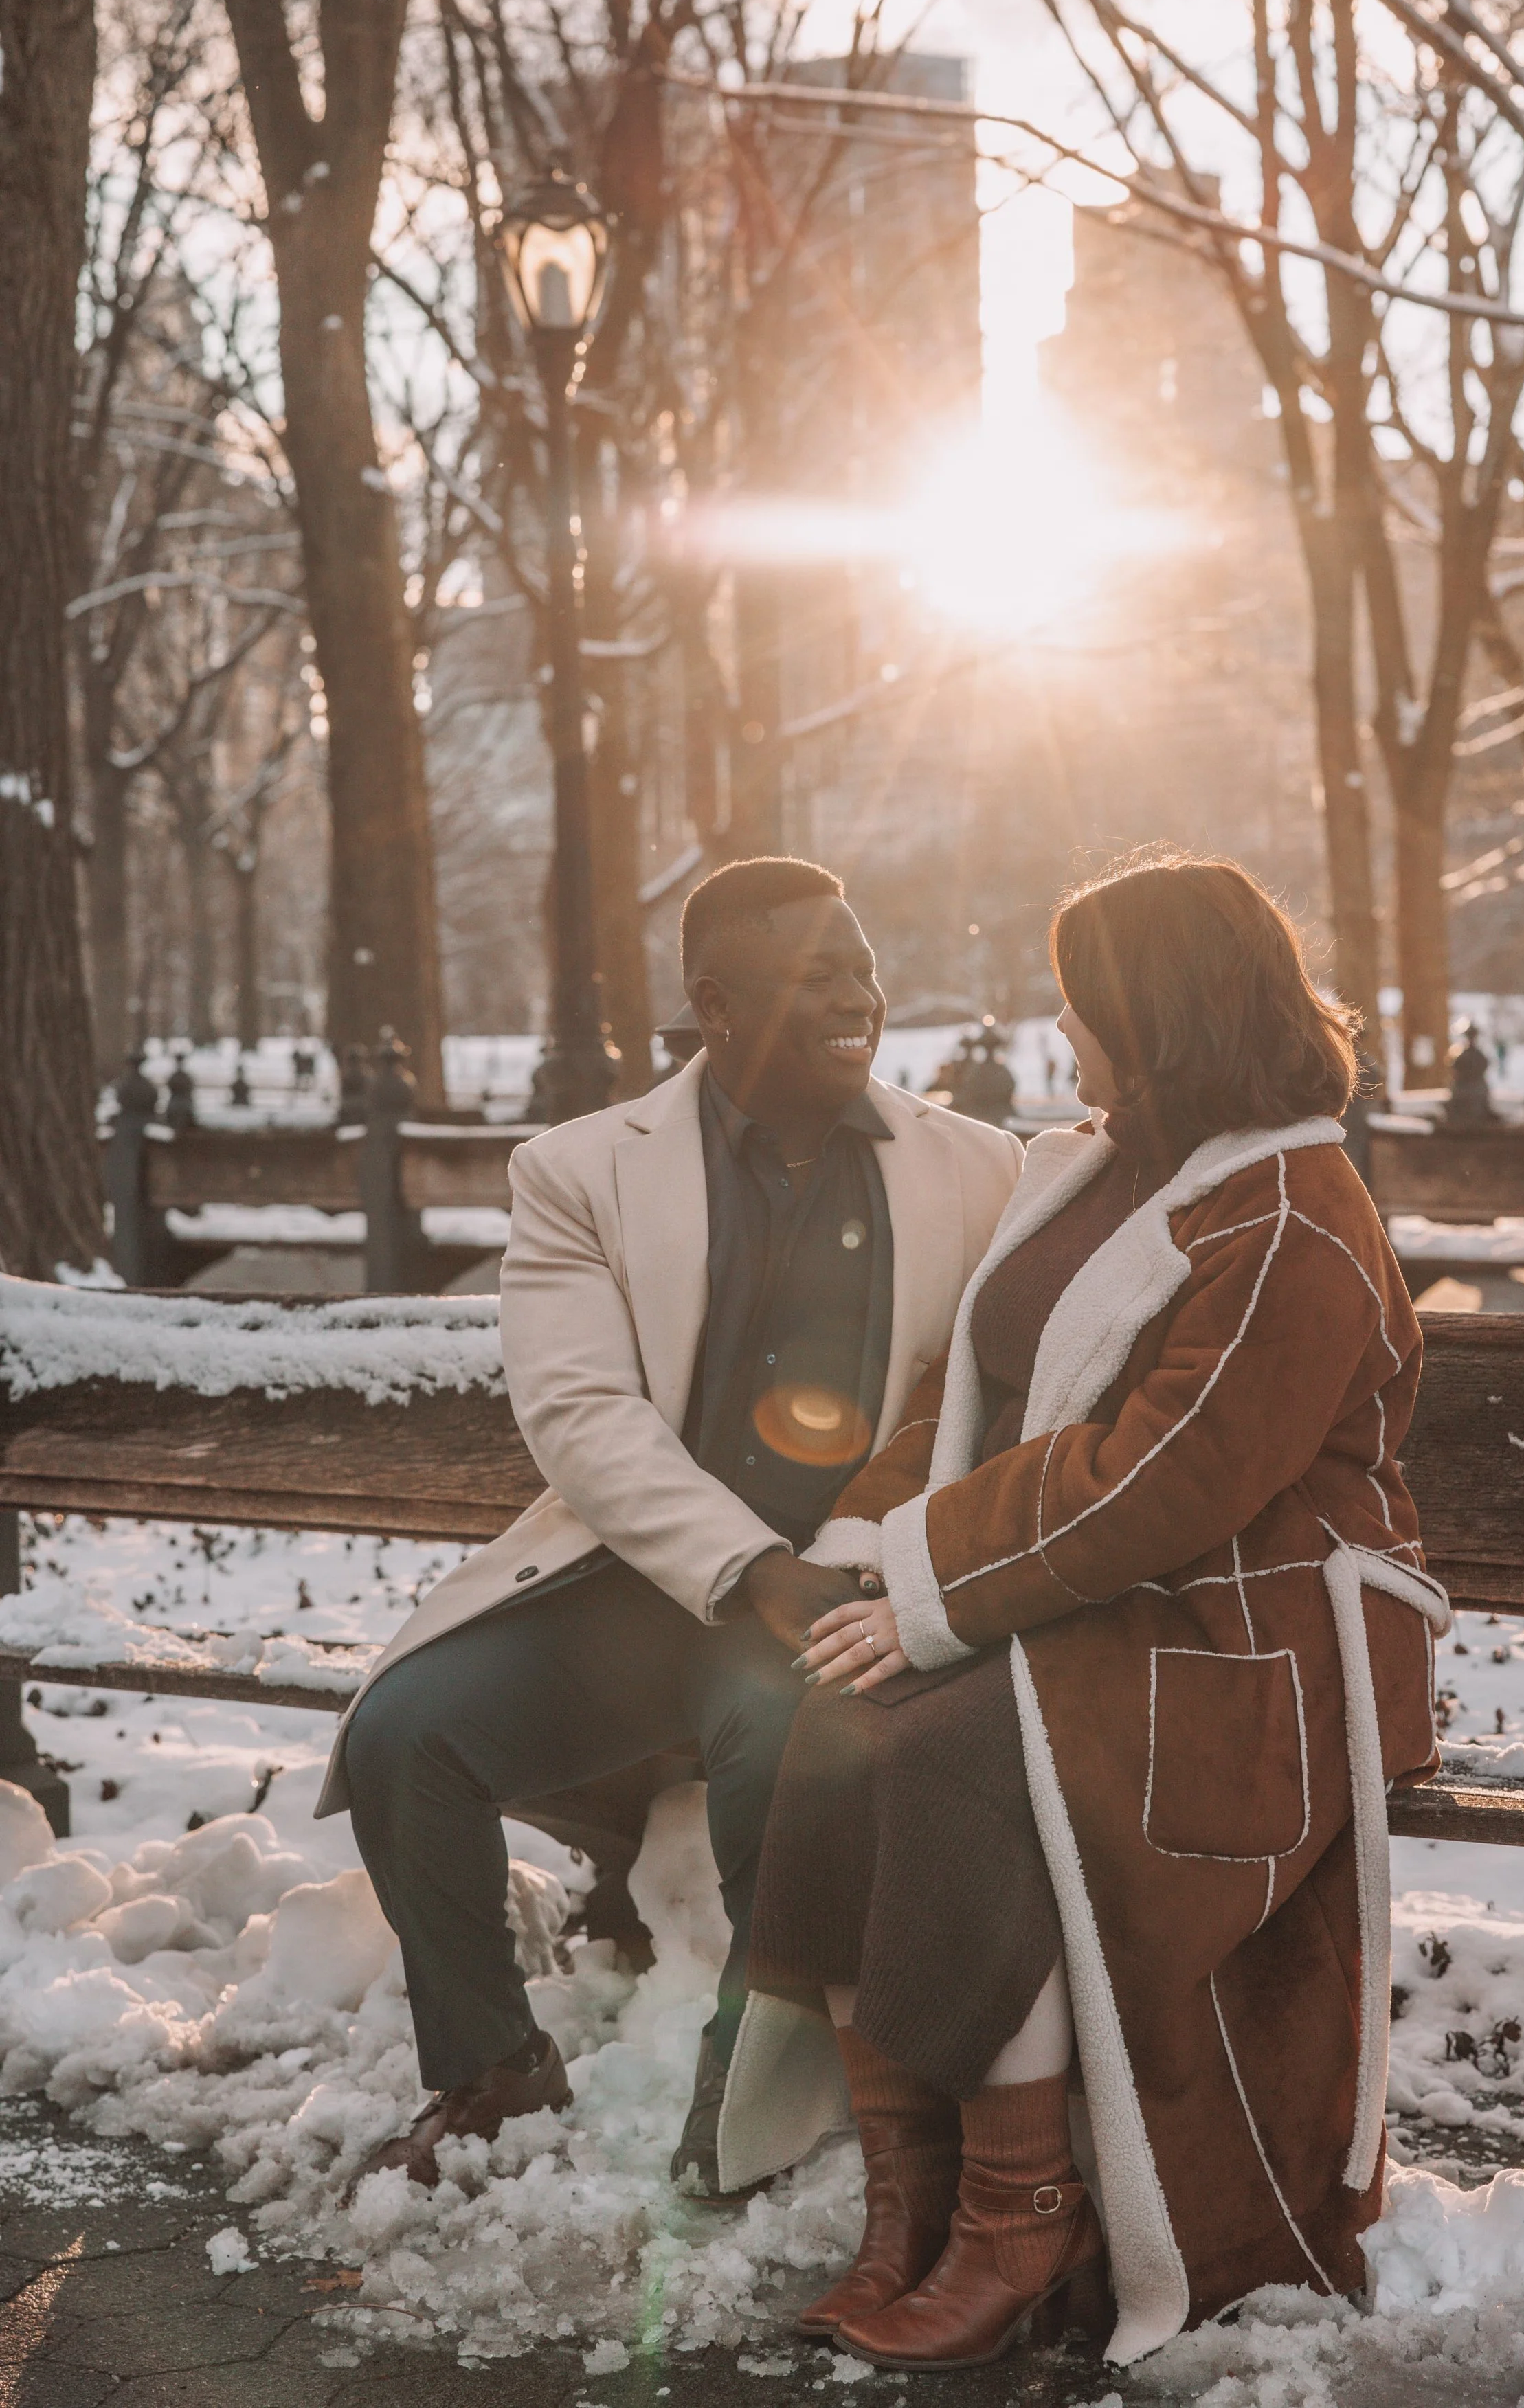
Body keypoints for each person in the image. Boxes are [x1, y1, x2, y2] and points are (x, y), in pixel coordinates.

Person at [721, 849, 1446, 2369]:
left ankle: (1019, 2208)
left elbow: (1164, 1476)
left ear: (1157, 1011)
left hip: (1256, 1636)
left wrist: (934, 1590)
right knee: (835, 1736)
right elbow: (964, 1388)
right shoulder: (1095, 1164)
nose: (1061, 1038)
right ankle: (904, 2207)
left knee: (957, 1760)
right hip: (1098, 1594)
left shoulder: (1290, 1218)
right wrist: (875, 1546)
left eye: (1082, 1006)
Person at [318, 857, 1023, 2194]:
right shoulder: (581, 1170)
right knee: (409, 1733)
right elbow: (578, 1414)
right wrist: (743, 1564)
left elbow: (993, 1391)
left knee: (788, 1753)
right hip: (634, 1581)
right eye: (813, 971)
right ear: (712, 1002)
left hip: (841, 1596)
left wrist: (842, 1564)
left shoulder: (979, 1169)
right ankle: (491, 2069)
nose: (855, 994)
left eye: (861, 964)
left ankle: (742, 2113)